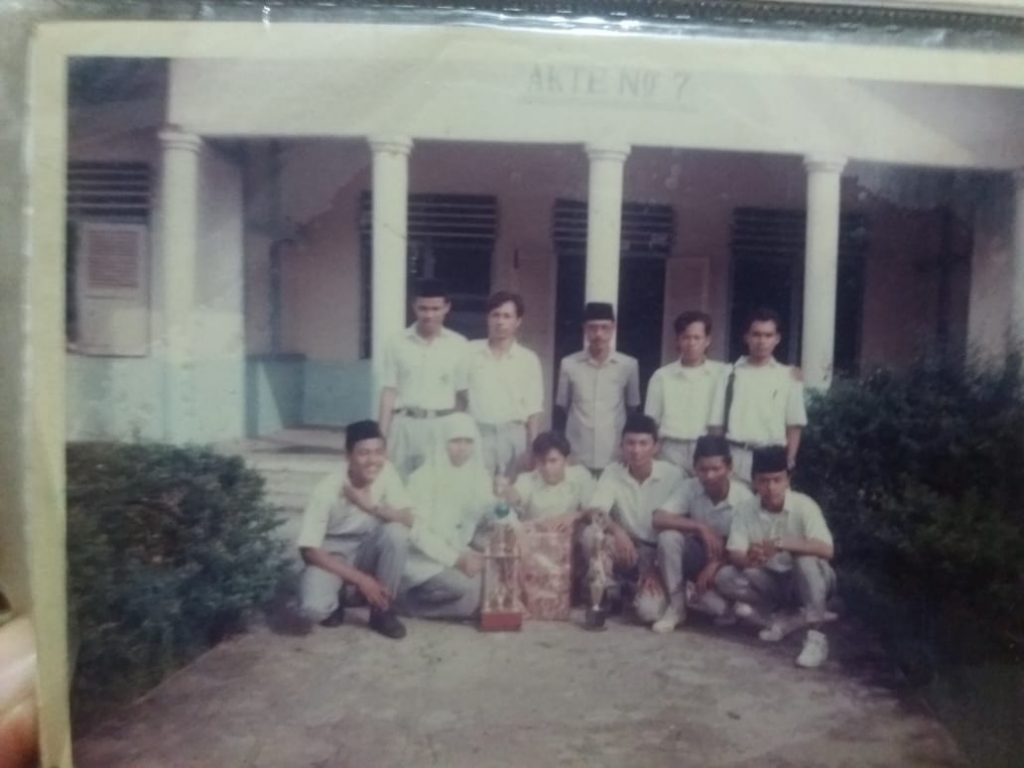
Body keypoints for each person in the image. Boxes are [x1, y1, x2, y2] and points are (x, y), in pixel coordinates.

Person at [715, 446, 837, 668]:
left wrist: (782, 544)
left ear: (788, 480)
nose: (770, 487)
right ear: (754, 482)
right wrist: (750, 557)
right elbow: (735, 553)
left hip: (806, 580)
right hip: (770, 580)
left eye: (777, 480)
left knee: (805, 559)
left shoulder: (804, 505)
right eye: (763, 481)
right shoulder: (745, 509)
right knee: (725, 576)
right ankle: (782, 618)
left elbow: (827, 549)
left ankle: (815, 637)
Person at [296, 420, 411, 640]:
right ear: (348, 456)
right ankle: (338, 595)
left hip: (367, 548)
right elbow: (309, 550)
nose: (373, 460)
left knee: (396, 533)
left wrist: (370, 506)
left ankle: (381, 612)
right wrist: (362, 580)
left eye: (378, 452)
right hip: (332, 554)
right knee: (313, 609)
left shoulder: (386, 471)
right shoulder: (327, 488)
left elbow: (408, 519)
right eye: (364, 453)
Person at [581, 413, 684, 630]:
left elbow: (677, 531)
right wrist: (617, 531)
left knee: (649, 613)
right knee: (592, 533)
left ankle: (636, 591)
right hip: (627, 547)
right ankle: (610, 590)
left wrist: (656, 567)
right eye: (630, 443)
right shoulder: (613, 471)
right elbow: (595, 512)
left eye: (643, 443)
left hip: (657, 555)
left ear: (656, 447)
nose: (636, 450)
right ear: (621, 446)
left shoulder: (674, 476)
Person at [400, 413, 497, 620]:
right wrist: (456, 559)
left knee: (487, 586)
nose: (462, 448)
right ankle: (402, 602)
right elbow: (418, 533)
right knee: (468, 591)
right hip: (422, 559)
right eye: (455, 441)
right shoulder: (422, 478)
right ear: (442, 441)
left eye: (468, 441)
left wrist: (514, 524)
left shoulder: (478, 475)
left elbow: (491, 507)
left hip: (457, 553)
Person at [377, 279, 468, 479]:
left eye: (435, 309)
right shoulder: (396, 342)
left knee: (437, 485)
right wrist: (382, 436)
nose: (429, 315)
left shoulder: (459, 345)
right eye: (423, 308)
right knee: (398, 483)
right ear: (414, 307)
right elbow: (389, 391)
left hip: (441, 427)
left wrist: (456, 432)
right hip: (404, 425)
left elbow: (462, 396)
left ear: (447, 308)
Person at [708, 307, 807, 483]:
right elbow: (716, 425)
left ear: (777, 339)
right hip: (735, 455)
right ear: (746, 337)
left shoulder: (788, 376)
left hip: (772, 456)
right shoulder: (729, 373)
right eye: (756, 334)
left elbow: (794, 425)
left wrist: (790, 461)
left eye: (768, 335)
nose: (762, 341)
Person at [554, 301, 641, 474]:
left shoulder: (628, 365)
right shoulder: (569, 364)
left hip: (614, 453)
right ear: (584, 329)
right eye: (592, 328)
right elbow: (564, 405)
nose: (598, 334)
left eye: (604, 328)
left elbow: (632, 406)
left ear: (613, 328)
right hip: (578, 452)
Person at [464, 291, 544, 477]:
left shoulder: (528, 359)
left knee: (512, 490)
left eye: (507, 316)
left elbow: (533, 410)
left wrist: (532, 449)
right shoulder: (469, 352)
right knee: (478, 489)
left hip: (513, 435)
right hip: (478, 434)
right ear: (488, 318)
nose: (500, 322)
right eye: (495, 315)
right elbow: (459, 397)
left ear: (518, 321)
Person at [645, 310, 728, 476]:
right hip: (670, 449)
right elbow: (652, 420)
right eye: (686, 337)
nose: (691, 343)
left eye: (697, 338)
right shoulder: (662, 376)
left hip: (706, 447)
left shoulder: (722, 373)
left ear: (707, 340)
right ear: (678, 340)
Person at [504, 431, 595, 531]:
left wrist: (574, 517)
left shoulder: (580, 475)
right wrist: (506, 491)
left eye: (553, 461)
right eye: (542, 462)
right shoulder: (527, 479)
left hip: (571, 535)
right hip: (537, 536)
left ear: (566, 460)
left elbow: (592, 510)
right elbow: (515, 497)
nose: (547, 467)